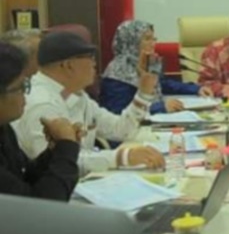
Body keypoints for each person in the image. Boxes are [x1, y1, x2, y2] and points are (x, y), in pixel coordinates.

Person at [13, 31, 165, 173]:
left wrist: (144, 92)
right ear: (68, 65)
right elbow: (58, 165)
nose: (94, 63)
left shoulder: (74, 93)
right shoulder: (41, 104)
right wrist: (121, 157)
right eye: (89, 57)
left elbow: (121, 129)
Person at [0, 41, 81, 200]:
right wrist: (67, 147)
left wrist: (55, 150)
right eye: (20, 87)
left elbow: (23, 178)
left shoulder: (4, 128)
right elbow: (41, 207)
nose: (26, 94)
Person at [100, 20, 212, 114]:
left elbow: (162, 84)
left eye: (154, 39)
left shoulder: (145, 63)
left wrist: (196, 89)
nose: (153, 43)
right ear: (132, 42)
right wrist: (160, 107)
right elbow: (118, 111)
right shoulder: (117, 73)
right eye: (147, 39)